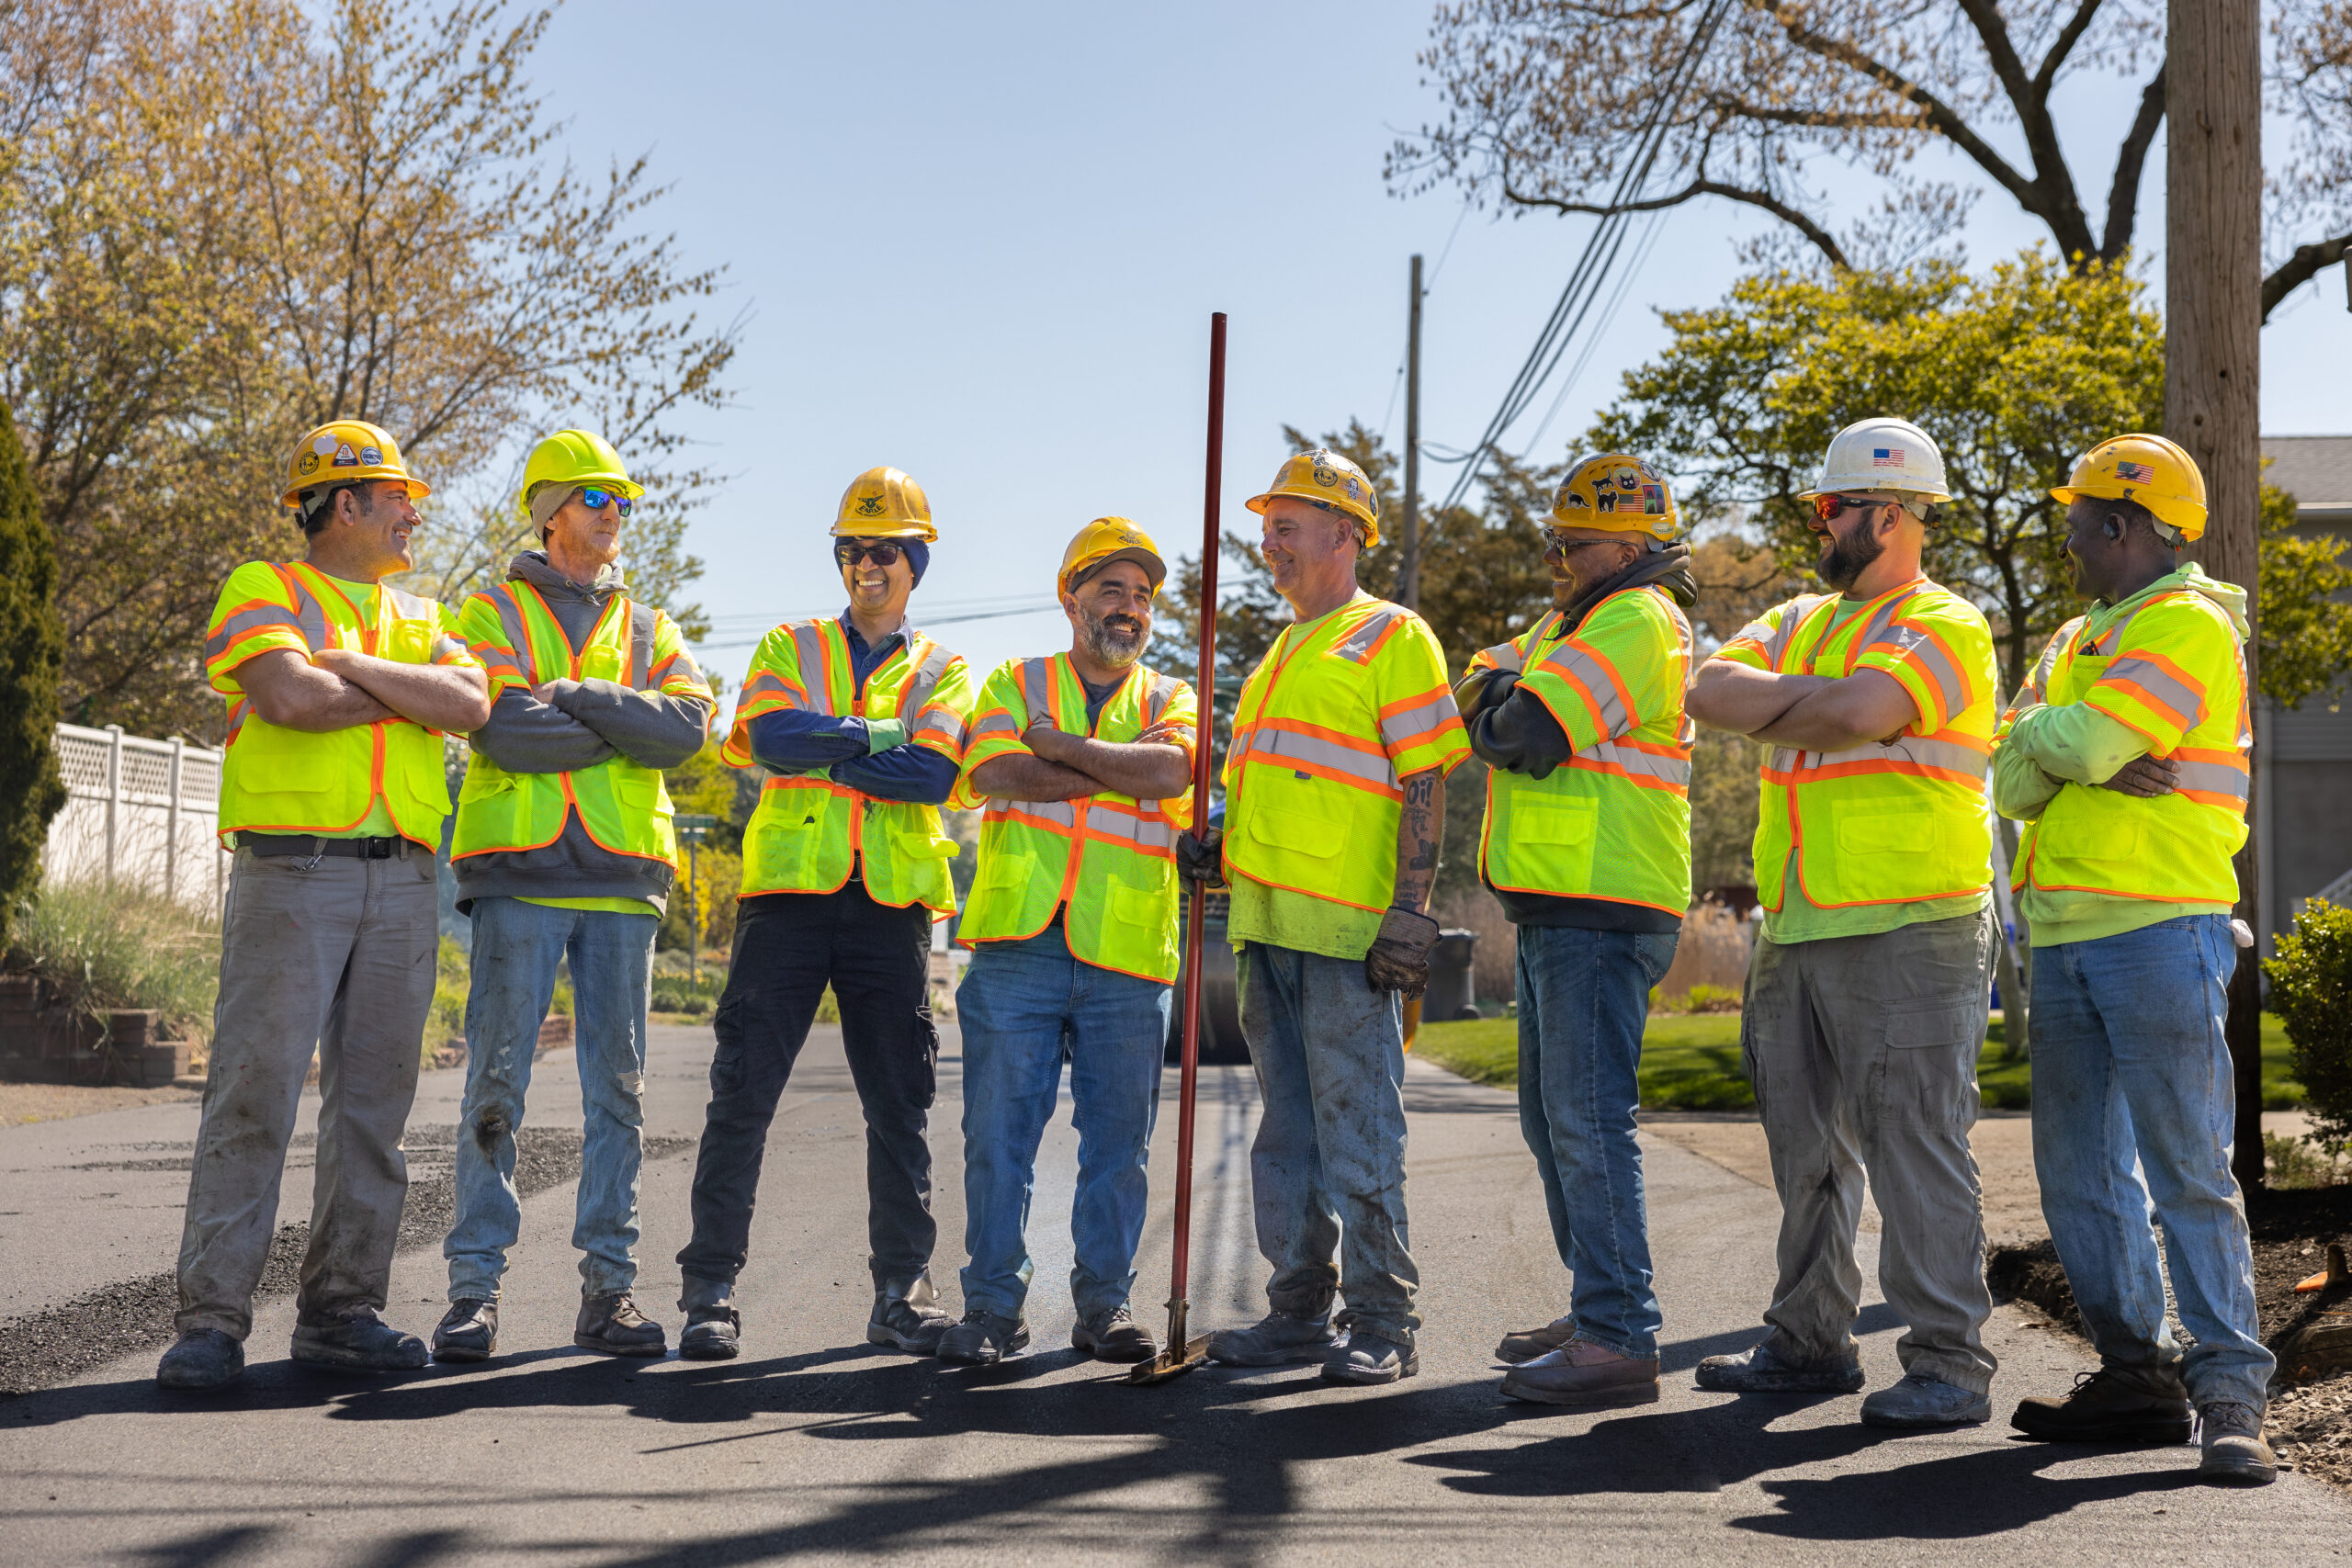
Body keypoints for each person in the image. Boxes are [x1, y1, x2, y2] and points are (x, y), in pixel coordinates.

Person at [157, 422, 491, 1391]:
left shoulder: (427, 613)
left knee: (375, 1111)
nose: (413, 510)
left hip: (403, 884)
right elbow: (288, 699)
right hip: (292, 872)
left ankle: (343, 1312)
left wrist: (345, 666)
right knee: (254, 1096)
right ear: (345, 503)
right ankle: (212, 1323)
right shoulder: (263, 590)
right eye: (398, 496)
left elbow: (470, 705)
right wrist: (403, 693)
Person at [1683, 416, 2001, 1428]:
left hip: (1914, 926)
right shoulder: (1799, 620)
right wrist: (1808, 704)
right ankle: (1810, 1342)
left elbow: (1858, 717)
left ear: (1895, 514)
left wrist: (1791, 708)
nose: (1817, 522)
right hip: (1797, 925)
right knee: (1805, 1149)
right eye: (1819, 506)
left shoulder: (1945, 623)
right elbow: (1706, 687)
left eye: (1832, 506)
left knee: (1915, 1143)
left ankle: (1948, 1364)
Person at [1993, 434, 2276, 1484]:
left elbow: (2077, 749)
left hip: (2160, 926)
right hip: (2065, 932)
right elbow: (2015, 773)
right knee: (2076, 1173)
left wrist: (2063, 745)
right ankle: (2135, 1377)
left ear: (2120, 524)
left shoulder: (2187, 623)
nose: (2063, 532)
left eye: (2076, 517)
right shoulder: (2076, 637)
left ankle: (2230, 1397)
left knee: (2187, 1171)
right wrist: (2064, 745)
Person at [673, 467, 975, 1359]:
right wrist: (879, 736)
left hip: (889, 907)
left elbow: (935, 774)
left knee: (900, 1105)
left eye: (883, 550)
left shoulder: (947, 668)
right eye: (851, 549)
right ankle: (710, 1294)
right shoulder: (786, 643)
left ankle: (901, 1295)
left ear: (915, 560)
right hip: (787, 902)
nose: (865, 565)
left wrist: (828, 746)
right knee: (742, 1097)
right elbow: (768, 738)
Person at [1184, 448, 1471, 1386]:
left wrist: (1410, 913)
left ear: (1345, 536)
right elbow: (1290, 788)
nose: (1269, 543)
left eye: (1287, 525)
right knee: (1289, 1133)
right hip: (1264, 925)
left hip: (1349, 934)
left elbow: (1423, 777)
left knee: (1358, 1129)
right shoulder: (1280, 651)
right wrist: (1218, 840)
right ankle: (1298, 1310)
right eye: (1268, 526)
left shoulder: (1390, 636)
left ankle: (1385, 1320)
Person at [431, 431, 714, 1364]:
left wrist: (582, 696)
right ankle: (473, 1294)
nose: (616, 516)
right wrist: (618, 723)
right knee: (496, 1086)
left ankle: (609, 1292)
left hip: (623, 884)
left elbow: (686, 732)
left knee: (619, 1096)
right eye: (600, 500)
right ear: (552, 511)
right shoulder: (489, 612)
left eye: (624, 503)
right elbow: (504, 733)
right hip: (519, 874)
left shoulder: (650, 624)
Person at [1454, 454, 1697, 1407]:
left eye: (1577, 544)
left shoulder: (1638, 619)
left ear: (1633, 547)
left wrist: (1506, 682)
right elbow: (1475, 682)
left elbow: (1519, 731)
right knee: (1553, 1122)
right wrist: (1501, 679)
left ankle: (1617, 1333)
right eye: (1553, 541)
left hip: (1607, 899)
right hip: (1563, 903)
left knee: (1587, 1123)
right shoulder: (1574, 622)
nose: (1558, 558)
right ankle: (1597, 1305)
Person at [943, 519, 1198, 1365]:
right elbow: (993, 772)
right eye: (1111, 590)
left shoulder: (1172, 698)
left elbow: (1170, 775)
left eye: (1142, 596)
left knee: (1117, 1148)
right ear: (1071, 597)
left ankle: (1105, 1306)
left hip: (1126, 951)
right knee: (997, 1137)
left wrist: (1057, 747)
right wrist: (1104, 762)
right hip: (1019, 944)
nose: (1128, 609)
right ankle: (991, 1308)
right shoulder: (1015, 679)